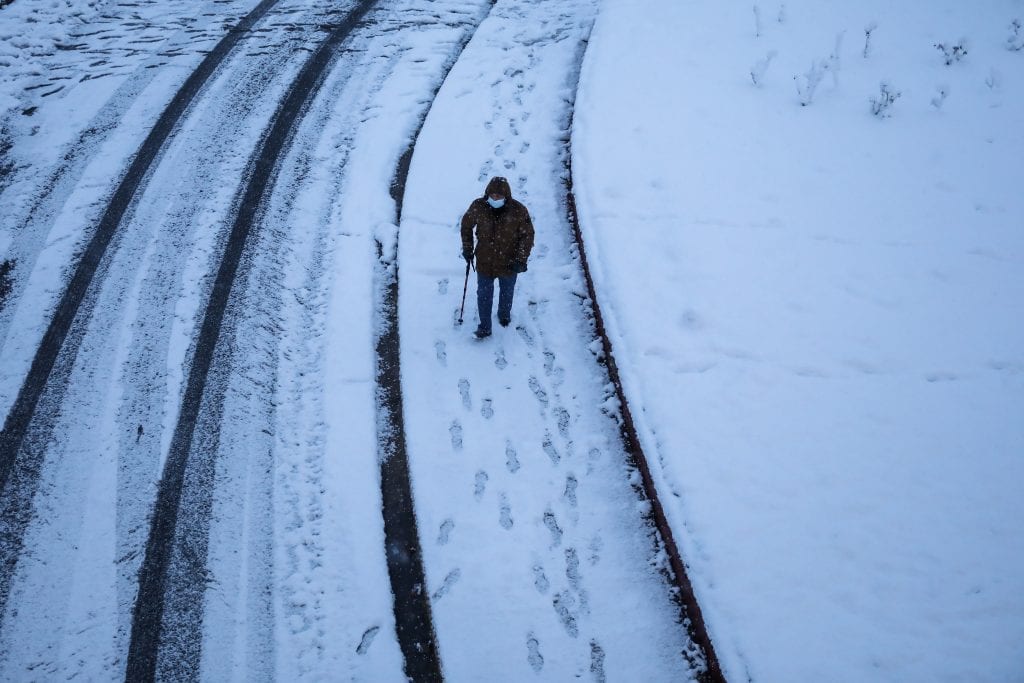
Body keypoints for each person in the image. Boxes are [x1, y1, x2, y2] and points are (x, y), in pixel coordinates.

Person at [461, 176, 535, 339]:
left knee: (507, 292)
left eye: (499, 196)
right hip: (484, 260)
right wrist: (468, 248)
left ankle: (504, 315)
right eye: (492, 195)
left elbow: (527, 235)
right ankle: (485, 327)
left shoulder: (518, 210)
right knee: (484, 295)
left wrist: (521, 259)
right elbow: (466, 225)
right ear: (487, 193)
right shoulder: (478, 206)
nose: (495, 198)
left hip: (509, 262)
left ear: (506, 196)